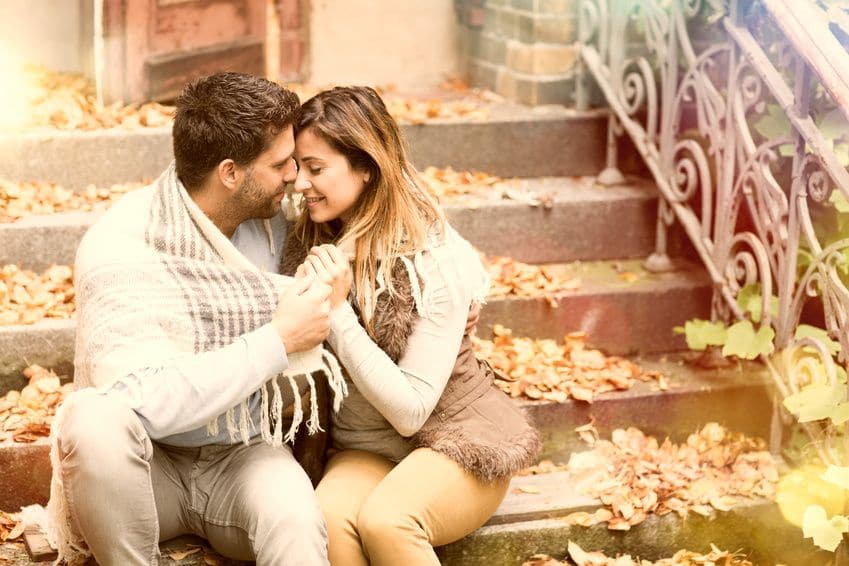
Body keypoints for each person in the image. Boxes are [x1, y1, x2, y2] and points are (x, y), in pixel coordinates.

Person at [30, 72, 345, 566]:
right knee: (92, 421)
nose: (295, 176)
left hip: (243, 455)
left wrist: (455, 289)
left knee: (298, 523)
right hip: (146, 468)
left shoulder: (278, 223)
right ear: (230, 173)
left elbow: (385, 213)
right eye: (280, 164)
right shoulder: (123, 244)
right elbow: (143, 399)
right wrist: (278, 339)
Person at [279, 85, 542, 566]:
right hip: (364, 449)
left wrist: (336, 312)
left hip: (455, 442)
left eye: (315, 168)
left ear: (366, 167)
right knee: (327, 519)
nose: (301, 184)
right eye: (298, 167)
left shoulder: (433, 260)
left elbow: (411, 413)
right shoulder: (309, 244)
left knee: (389, 520)